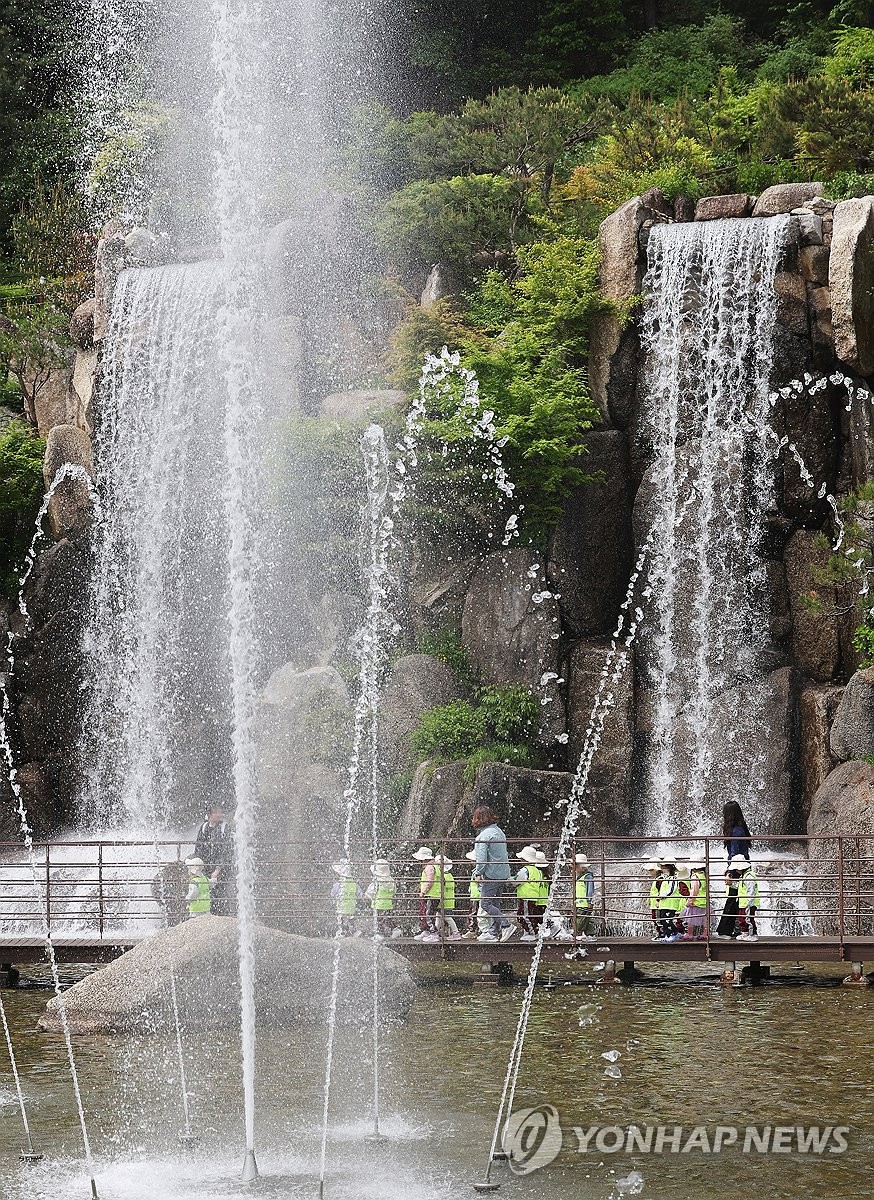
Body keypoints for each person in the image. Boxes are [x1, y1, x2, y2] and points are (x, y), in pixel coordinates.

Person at [471, 806, 513, 943]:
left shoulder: (483, 836)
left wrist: (478, 873)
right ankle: (493, 932)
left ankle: (506, 925)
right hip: (503, 872)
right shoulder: (499, 832)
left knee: (485, 903)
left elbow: (481, 858)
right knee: (495, 902)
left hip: (492, 874)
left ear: (478, 819)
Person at [194, 806, 234, 916]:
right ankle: (208, 915)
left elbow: (227, 850)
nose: (219, 814)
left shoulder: (224, 828)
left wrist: (218, 869)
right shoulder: (203, 828)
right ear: (209, 814)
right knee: (205, 892)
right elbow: (198, 849)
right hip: (206, 868)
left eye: (220, 812)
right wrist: (198, 866)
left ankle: (220, 916)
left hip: (222, 869)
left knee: (219, 892)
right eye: (216, 812)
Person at [513, 845, 546, 941]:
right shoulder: (537, 870)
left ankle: (532, 932)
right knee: (529, 914)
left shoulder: (525, 870)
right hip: (533, 896)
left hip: (526, 896)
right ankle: (530, 930)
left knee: (523, 915)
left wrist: (509, 880)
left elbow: (516, 880)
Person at [364, 859, 397, 939]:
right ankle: (395, 929)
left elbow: (370, 891)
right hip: (388, 904)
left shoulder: (377, 881)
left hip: (378, 904)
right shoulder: (391, 880)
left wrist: (367, 896)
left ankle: (379, 934)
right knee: (388, 918)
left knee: (379, 920)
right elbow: (394, 891)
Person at [462, 850, 491, 939]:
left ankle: (472, 930)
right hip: (479, 895)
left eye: (472, 860)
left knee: (473, 913)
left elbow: (480, 883)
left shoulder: (477, 872)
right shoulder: (482, 871)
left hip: (476, 896)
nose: (471, 862)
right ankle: (484, 929)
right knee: (481, 913)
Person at [656, 856, 684, 940]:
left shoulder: (673, 878)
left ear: (668, 868)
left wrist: (662, 896)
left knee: (667, 920)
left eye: (664, 867)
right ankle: (672, 933)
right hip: (665, 903)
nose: (662, 869)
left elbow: (671, 890)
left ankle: (671, 934)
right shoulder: (666, 878)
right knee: (663, 920)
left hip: (670, 903)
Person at [716, 858, 744, 938]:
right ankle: (734, 931)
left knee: (732, 911)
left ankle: (728, 932)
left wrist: (731, 883)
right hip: (737, 897)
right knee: (733, 912)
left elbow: (742, 886)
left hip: (738, 897)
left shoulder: (742, 875)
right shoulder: (738, 874)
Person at [682, 858, 709, 940]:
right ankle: (705, 934)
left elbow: (694, 890)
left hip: (696, 901)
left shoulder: (695, 876)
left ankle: (689, 934)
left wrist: (690, 900)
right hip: (704, 900)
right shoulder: (704, 875)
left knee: (691, 919)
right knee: (705, 919)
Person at [733, 857, 760, 941]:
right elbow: (741, 887)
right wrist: (731, 884)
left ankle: (752, 934)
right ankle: (745, 933)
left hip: (748, 903)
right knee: (742, 919)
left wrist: (749, 902)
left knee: (748, 919)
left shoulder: (748, 876)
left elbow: (751, 890)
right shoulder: (743, 876)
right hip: (743, 902)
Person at [331, 861, 360, 935]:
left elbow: (332, 894)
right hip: (351, 907)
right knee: (351, 919)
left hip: (341, 907)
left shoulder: (337, 885)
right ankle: (353, 931)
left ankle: (344, 932)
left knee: (342, 920)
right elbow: (360, 894)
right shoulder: (354, 884)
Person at [573, 853, 596, 939]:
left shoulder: (587, 876)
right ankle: (590, 934)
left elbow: (590, 890)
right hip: (580, 903)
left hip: (584, 903)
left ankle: (578, 933)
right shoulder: (580, 876)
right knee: (587, 919)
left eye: (576, 865)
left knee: (580, 920)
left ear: (581, 866)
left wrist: (590, 901)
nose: (574, 868)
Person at [645, 858, 663, 938]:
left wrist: (658, 901)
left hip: (657, 904)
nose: (650, 872)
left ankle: (661, 934)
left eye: (651, 870)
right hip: (655, 903)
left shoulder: (660, 879)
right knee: (656, 919)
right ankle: (660, 933)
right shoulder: (657, 879)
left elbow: (660, 891)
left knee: (658, 919)